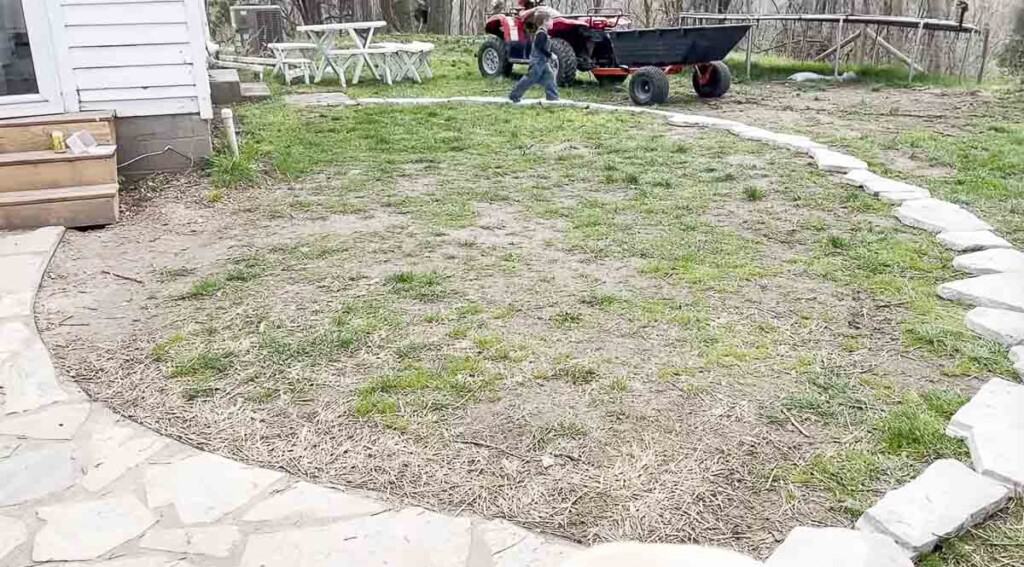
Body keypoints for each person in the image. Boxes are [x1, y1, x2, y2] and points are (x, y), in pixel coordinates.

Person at [509, 12, 559, 103]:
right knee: (530, 79)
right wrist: (550, 55)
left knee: (550, 77)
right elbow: (539, 47)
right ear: (545, 22)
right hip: (537, 62)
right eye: (551, 20)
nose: (552, 23)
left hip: (543, 62)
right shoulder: (541, 34)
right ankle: (514, 95)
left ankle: (553, 98)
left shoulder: (544, 33)